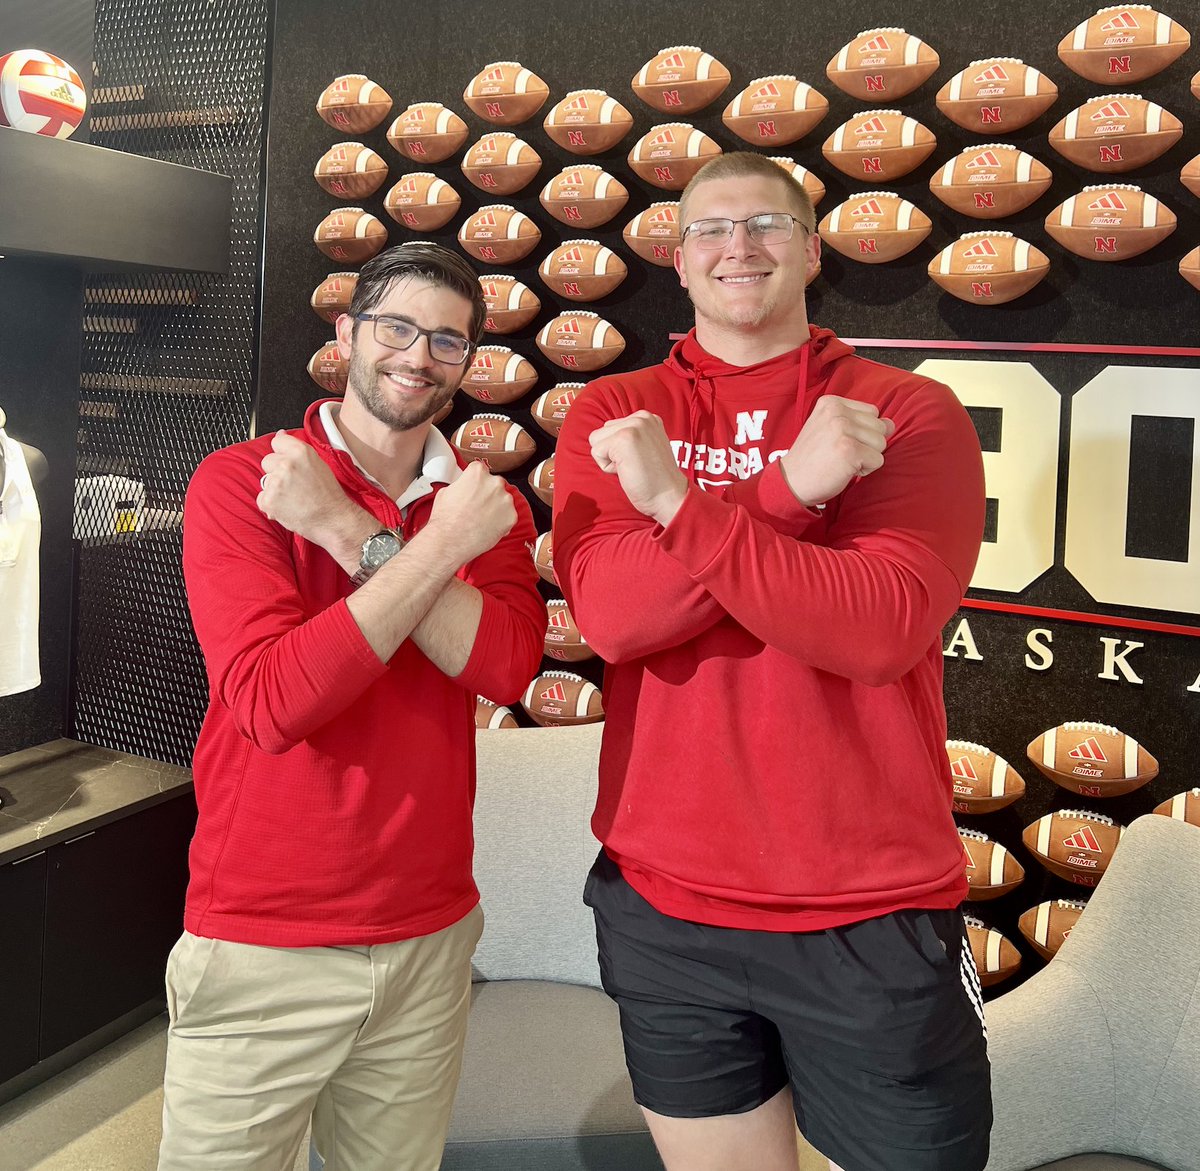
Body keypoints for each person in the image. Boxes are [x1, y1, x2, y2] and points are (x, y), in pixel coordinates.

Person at [552, 152, 990, 1171]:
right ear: (678, 257)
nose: (737, 247)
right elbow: (615, 616)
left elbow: (876, 627)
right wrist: (788, 491)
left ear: (811, 250)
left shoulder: (904, 413)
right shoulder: (619, 414)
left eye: (766, 226)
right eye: (710, 228)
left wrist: (678, 509)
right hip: (666, 905)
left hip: (867, 911)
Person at [163, 242, 545, 1171]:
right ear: (348, 332)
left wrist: (346, 529)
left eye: (447, 341)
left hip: (429, 934)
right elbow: (273, 699)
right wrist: (426, 553)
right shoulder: (243, 481)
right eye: (397, 327)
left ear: (467, 362)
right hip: (264, 939)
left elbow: (500, 665)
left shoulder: (481, 510)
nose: (418, 356)